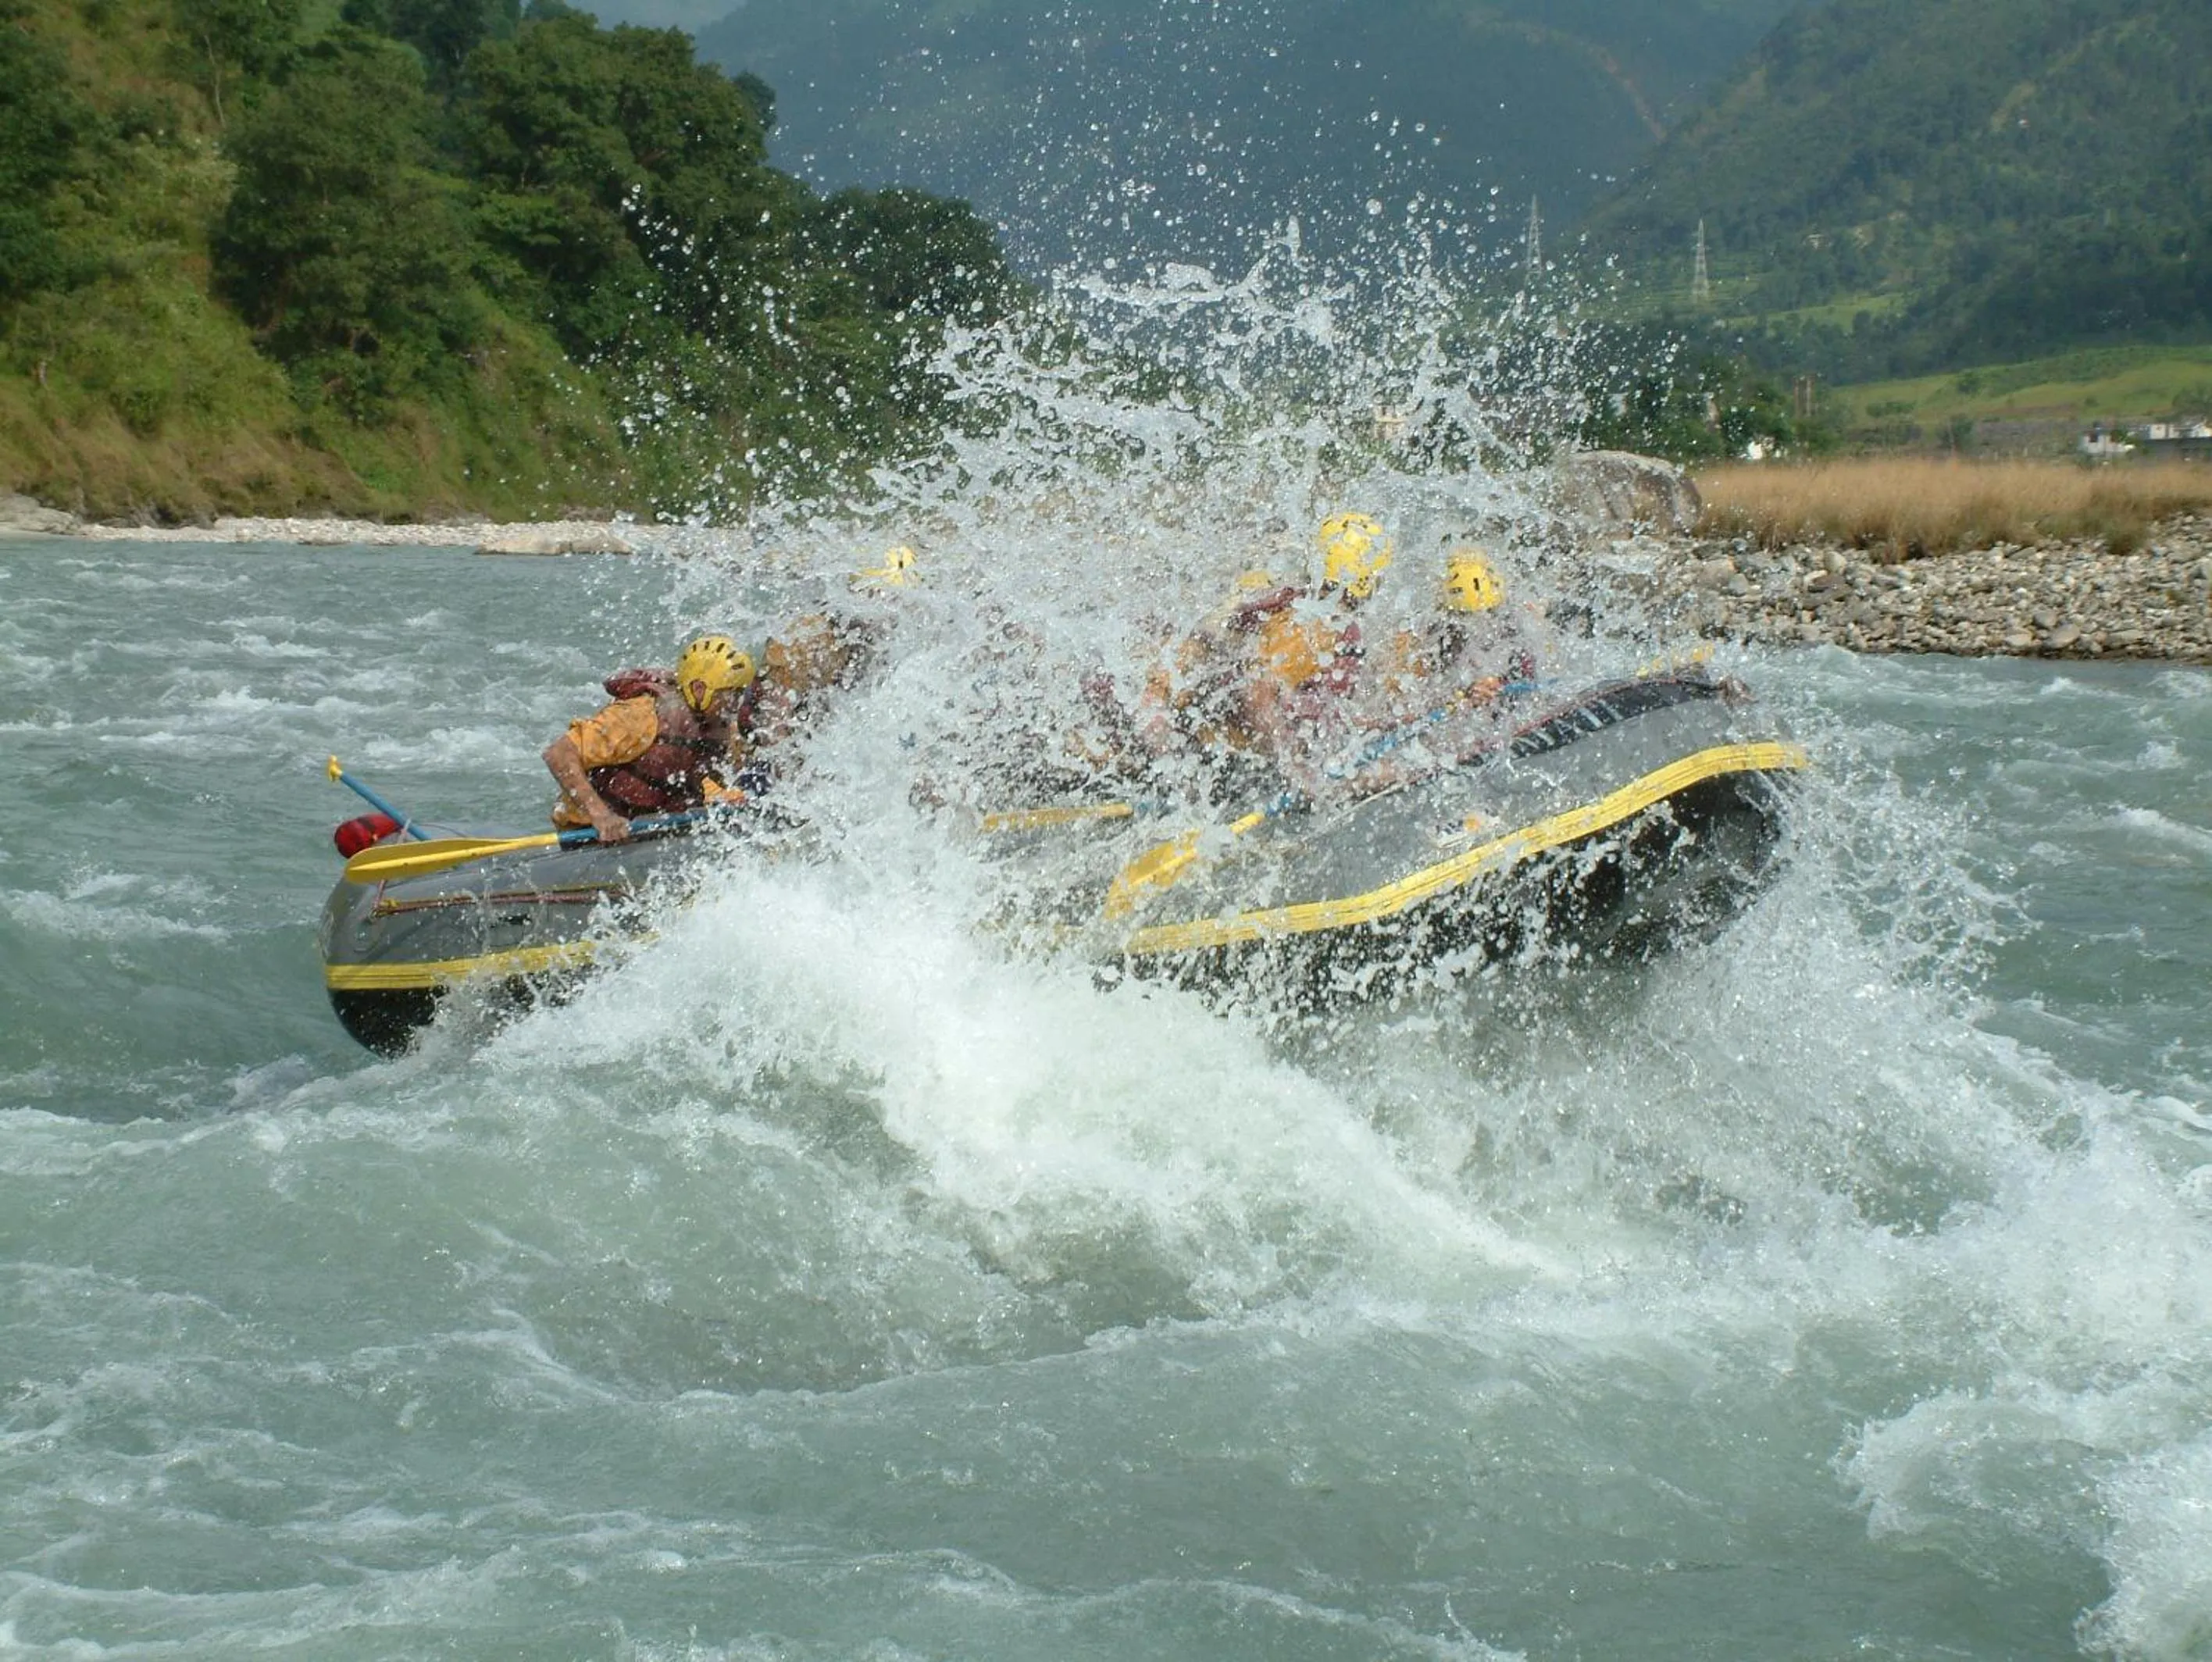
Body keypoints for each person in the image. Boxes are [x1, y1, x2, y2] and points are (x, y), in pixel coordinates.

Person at [542, 634, 757, 843]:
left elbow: (735, 773)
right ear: (700, 690)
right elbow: (558, 754)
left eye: (740, 694)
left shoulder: (721, 727)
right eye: (730, 695)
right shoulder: (640, 716)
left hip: (661, 828)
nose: (736, 704)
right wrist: (602, 816)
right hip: (595, 835)